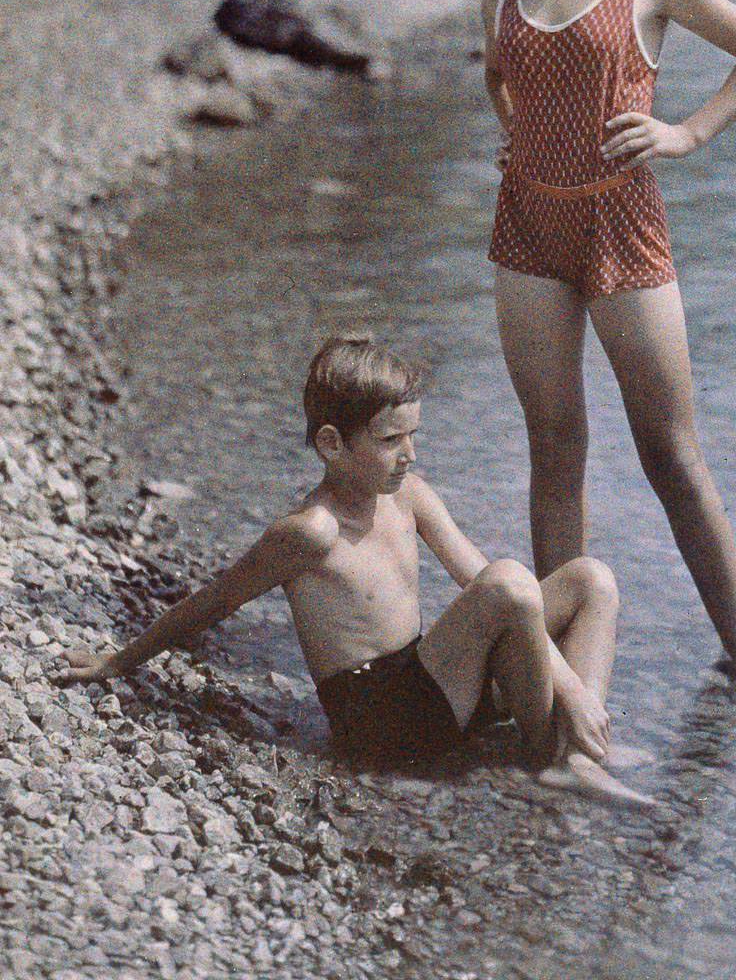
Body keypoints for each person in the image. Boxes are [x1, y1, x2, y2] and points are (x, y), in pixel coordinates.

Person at [482, 0, 736, 704]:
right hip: (527, 230)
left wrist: (687, 134)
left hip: (623, 226)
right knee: (556, 447)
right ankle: (552, 672)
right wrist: (517, 136)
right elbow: (498, 73)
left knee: (670, 451)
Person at [59, 333, 650, 806]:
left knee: (590, 577)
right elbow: (214, 601)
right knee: (512, 581)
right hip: (383, 722)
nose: (410, 454)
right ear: (332, 444)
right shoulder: (309, 532)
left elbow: (478, 577)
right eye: (391, 439)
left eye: (413, 435)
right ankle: (559, 754)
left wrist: (569, 688)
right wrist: (119, 660)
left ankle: (579, 748)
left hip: (433, 686)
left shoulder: (409, 493)